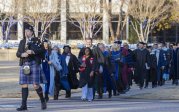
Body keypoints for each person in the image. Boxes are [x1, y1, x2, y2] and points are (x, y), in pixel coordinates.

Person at [16, 23, 47, 111]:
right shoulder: (22, 41)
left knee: (35, 85)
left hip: (34, 63)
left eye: (28, 31)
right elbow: (17, 53)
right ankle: (23, 105)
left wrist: (33, 52)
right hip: (24, 64)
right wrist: (22, 54)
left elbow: (43, 50)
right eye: (25, 31)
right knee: (24, 84)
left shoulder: (37, 40)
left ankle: (42, 100)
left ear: (32, 32)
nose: (26, 32)